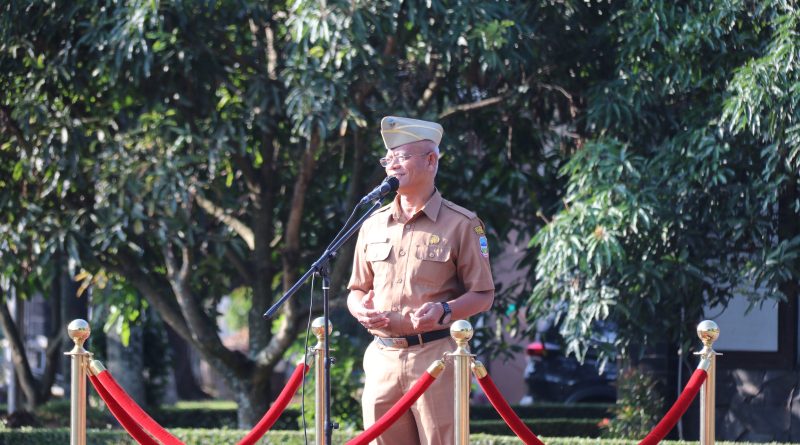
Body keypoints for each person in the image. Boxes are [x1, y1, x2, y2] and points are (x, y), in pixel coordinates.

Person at [347, 116, 495, 445]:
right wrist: (360, 310)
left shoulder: (462, 224)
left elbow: (483, 294)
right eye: (388, 159)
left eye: (401, 157)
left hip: (437, 357)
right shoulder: (373, 224)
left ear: (431, 160)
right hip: (382, 357)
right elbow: (357, 289)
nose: (392, 166)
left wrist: (444, 309)